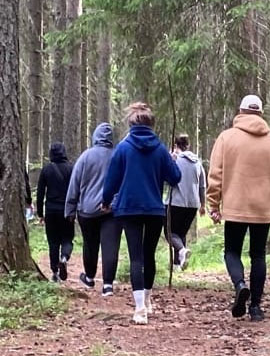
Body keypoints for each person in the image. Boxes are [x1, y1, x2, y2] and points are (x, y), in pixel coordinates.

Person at [206, 94, 270, 321]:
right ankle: (255, 307)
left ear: (241, 111)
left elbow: (215, 174)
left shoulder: (226, 138)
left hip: (234, 207)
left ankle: (239, 284)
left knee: (232, 251)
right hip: (262, 208)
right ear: (260, 114)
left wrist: (214, 204)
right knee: (258, 255)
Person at [100, 102, 181, 325]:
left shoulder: (123, 148)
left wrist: (106, 202)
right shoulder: (161, 149)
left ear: (131, 123)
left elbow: (111, 181)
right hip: (155, 209)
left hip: (129, 209)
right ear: (151, 124)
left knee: (136, 257)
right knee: (149, 255)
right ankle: (146, 299)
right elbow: (175, 178)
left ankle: (139, 309)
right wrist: (172, 162)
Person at [64, 123, 116, 288]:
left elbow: (74, 184)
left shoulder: (85, 157)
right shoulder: (117, 156)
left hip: (87, 211)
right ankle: (108, 284)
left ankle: (90, 277)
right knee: (110, 246)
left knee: (90, 244)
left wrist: (70, 209)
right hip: (112, 210)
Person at [167, 134, 207, 271]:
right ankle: (178, 265)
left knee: (170, 233)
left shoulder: (175, 159)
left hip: (176, 202)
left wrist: (170, 161)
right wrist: (203, 205)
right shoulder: (197, 162)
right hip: (192, 204)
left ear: (176, 146)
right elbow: (202, 185)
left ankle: (182, 251)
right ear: (188, 145)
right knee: (180, 233)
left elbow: (168, 178)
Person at [36, 142, 74, 281]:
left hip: (51, 211)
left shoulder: (46, 170)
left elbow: (40, 193)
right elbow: (76, 190)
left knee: (53, 242)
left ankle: (55, 272)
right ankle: (64, 257)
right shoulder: (71, 169)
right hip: (66, 211)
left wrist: (40, 213)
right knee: (67, 239)